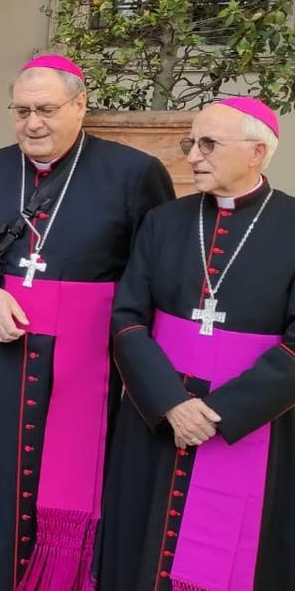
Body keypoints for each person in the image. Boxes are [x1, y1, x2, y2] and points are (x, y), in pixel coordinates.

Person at [0, 55, 175, 590]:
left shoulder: (133, 174)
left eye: (46, 109)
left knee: (79, 482)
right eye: (21, 110)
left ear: (80, 105)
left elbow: (153, 271)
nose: (32, 123)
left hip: (90, 362)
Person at [96, 98, 295, 590]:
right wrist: (172, 404)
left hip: (249, 422)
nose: (192, 155)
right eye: (192, 142)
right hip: (160, 416)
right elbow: (127, 318)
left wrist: (220, 411)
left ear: (256, 151)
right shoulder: (165, 221)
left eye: (208, 144)